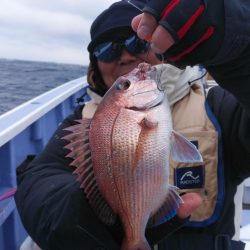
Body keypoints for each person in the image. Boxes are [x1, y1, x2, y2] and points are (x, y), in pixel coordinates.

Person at [14, 1, 250, 250]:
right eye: (107, 50)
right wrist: (79, 217)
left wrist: (242, 59)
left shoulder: (220, 105)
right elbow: (39, 182)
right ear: (95, 66)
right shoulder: (81, 122)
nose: (125, 55)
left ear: (164, 44)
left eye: (136, 42)